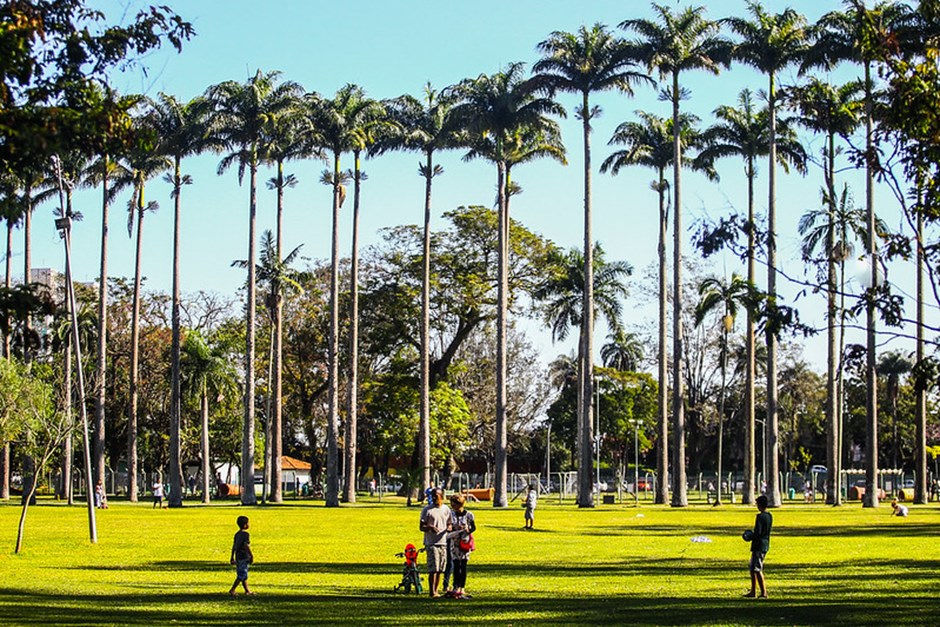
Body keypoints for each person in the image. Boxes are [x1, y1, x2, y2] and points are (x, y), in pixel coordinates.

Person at [419, 487, 450, 598]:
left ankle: (436, 590)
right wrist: (430, 527)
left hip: (443, 542)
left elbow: (449, 523)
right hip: (431, 543)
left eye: (436, 495)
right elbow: (421, 527)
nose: (433, 497)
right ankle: (432, 592)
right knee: (433, 568)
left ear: (441, 496)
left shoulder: (446, 509)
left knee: (440, 569)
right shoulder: (427, 510)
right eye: (432, 495)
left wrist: (449, 528)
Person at [445, 494, 476, 599]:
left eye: (455, 504)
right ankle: (455, 586)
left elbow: (473, 527)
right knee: (456, 565)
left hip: (464, 543)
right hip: (454, 543)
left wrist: (468, 530)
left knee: (463, 566)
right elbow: (448, 526)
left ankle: (462, 587)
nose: (453, 507)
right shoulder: (450, 514)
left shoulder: (469, 515)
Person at [745, 495, 772, 598]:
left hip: (758, 545)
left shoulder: (760, 517)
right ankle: (753, 591)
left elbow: (758, 532)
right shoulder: (769, 516)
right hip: (765, 544)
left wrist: (749, 536)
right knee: (752, 568)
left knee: (757, 568)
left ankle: (763, 592)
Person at [229, 515, 254, 595]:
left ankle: (247, 590)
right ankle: (232, 589)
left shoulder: (237, 534)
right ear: (245, 525)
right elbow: (246, 545)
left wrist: (232, 556)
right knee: (242, 574)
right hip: (244, 556)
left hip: (238, 556)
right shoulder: (245, 534)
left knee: (243, 573)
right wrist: (251, 555)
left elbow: (234, 546)